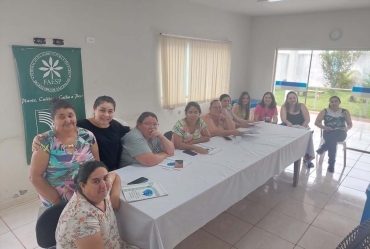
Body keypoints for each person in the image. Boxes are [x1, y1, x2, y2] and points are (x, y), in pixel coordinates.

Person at [29, 98, 99, 208]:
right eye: (62, 117)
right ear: (53, 119)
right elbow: (35, 177)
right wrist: (56, 201)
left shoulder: (87, 136)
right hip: (58, 201)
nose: (68, 120)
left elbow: (97, 164)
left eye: (71, 115)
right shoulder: (45, 142)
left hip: (87, 196)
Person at [56, 161, 139, 249]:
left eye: (105, 178)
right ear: (83, 185)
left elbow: (115, 175)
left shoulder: (98, 190)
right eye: (96, 181)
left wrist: (114, 197)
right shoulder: (82, 220)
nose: (104, 185)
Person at [33, 96, 130, 171]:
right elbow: (61, 128)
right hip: (93, 172)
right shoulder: (83, 126)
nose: (106, 115)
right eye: (102, 110)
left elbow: (129, 129)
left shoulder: (115, 125)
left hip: (113, 171)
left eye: (110, 111)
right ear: (94, 109)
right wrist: (38, 137)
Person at [315, 96, 352, 172]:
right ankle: (331, 164)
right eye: (332, 101)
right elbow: (316, 122)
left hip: (341, 133)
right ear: (330, 103)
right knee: (332, 140)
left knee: (332, 139)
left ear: (339, 102)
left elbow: (350, 124)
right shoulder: (325, 111)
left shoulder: (345, 111)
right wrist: (325, 127)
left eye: (336, 101)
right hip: (328, 131)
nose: (334, 103)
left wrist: (347, 128)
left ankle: (324, 148)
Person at [280, 91, 314, 167]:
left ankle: (307, 158)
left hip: (302, 127)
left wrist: (302, 127)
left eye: (294, 98)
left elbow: (307, 119)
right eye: (290, 98)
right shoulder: (284, 107)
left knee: (308, 136)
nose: (292, 100)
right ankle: (283, 157)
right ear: (287, 100)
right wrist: (288, 123)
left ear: (297, 99)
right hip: (290, 127)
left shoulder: (302, 106)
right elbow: (283, 119)